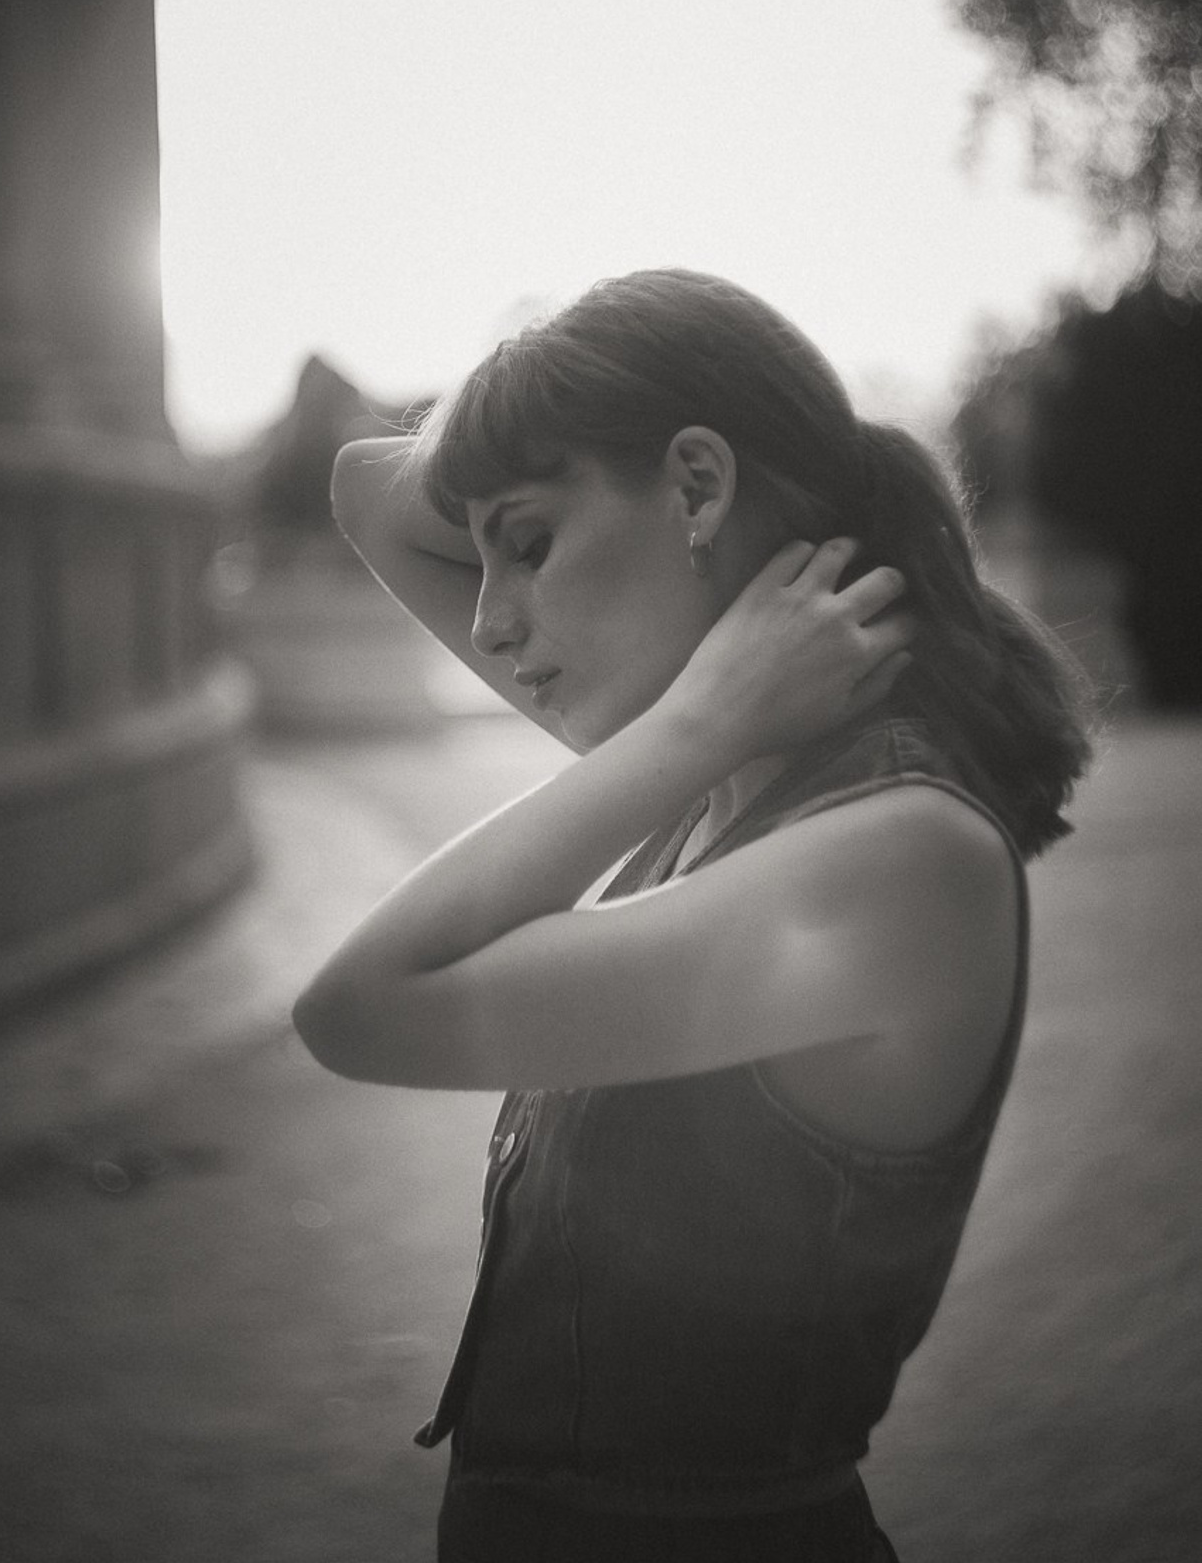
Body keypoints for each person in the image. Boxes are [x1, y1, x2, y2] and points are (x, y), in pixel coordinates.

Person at [294, 269, 1091, 1561]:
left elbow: (354, 1008)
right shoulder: (720, 774)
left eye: (532, 542)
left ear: (700, 489)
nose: (491, 620)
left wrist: (701, 718)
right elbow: (364, 489)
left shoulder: (898, 855)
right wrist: (549, 414)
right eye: (485, 550)